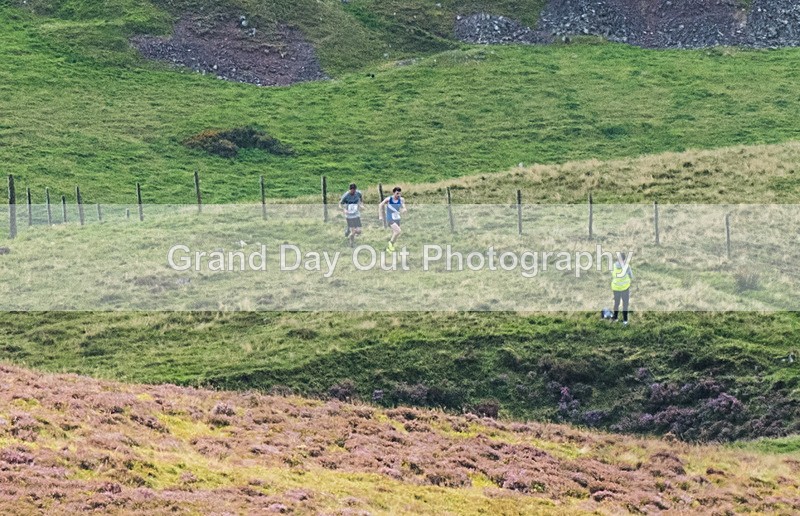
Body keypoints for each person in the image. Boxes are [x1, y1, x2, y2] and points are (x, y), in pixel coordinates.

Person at [378, 187, 406, 252]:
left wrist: (404, 210)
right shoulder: (389, 199)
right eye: (397, 193)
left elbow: (403, 207)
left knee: (396, 233)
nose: (398, 195)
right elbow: (380, 205)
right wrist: (380, 216)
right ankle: (390, 243)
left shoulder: (401, 199)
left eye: (399, 193)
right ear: (394, 193)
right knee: (398, 231)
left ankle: (389, 248)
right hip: (390, 218)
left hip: (397, 218)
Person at [611, 252, 633, 325]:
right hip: (625, 288)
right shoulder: (627, 267)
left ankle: (616, 318)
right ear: (624, 259)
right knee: (625, 304)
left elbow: (612, 274)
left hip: (616, 288)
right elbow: (631, 276)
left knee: (616, 303)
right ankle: (625, 321)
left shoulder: (613, 266)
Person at [339, 183, 364, 247]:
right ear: (349, 190)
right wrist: (344, 210)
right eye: (352, 191)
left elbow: (361, 199)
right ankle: (351, 243)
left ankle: (349, 232)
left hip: (356, 214)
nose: (353, 192)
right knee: (353, 232)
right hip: (349, 215)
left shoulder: (358, 193)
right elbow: (340, 204)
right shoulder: (346, 196)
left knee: (359, 231)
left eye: (354, 190)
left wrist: (361, 205)